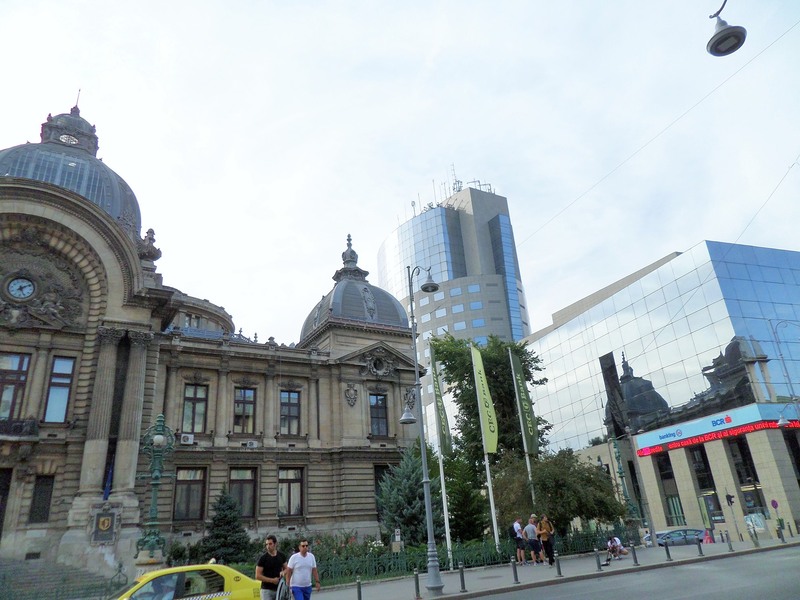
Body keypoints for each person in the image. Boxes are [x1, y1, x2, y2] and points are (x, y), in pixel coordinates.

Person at [256, 534, 288, 600]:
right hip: (266, 590)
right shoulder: (263, 558)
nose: (268, 546)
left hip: (279, 589)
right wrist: (272, 580)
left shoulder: (281, 556)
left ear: (275, 544)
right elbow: (257, 576)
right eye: (267, 544)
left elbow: (287, 569)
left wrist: (283, 572)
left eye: (270, 544)